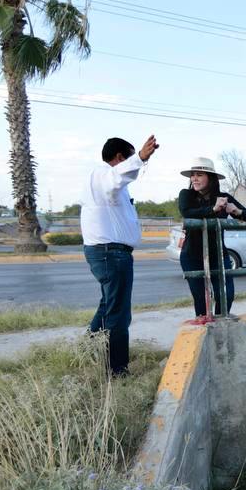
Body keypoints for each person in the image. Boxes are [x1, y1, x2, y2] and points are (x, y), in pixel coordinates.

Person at [81, 134, 160, 377]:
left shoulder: (106, 182)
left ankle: (88, 350)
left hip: (110, 253)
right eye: (130, 158)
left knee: (109, 305)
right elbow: (117, 177)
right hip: (110, 254)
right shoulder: (103, 175)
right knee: (118, 313)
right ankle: (117, 371)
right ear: (119, 158)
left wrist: (138, 159)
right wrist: (141, 157)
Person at [177, 157, 246, 317]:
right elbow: (187, 212)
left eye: (199, 175)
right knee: (202, 298)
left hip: (218, 254)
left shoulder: (223, 197)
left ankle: (220, 322)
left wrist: (236, 211)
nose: (194, 178)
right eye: (193, 175)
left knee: (226, 295)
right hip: (192, 255)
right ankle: (205, 325)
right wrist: (213, 209)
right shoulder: (186, 194)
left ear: (210, 178)